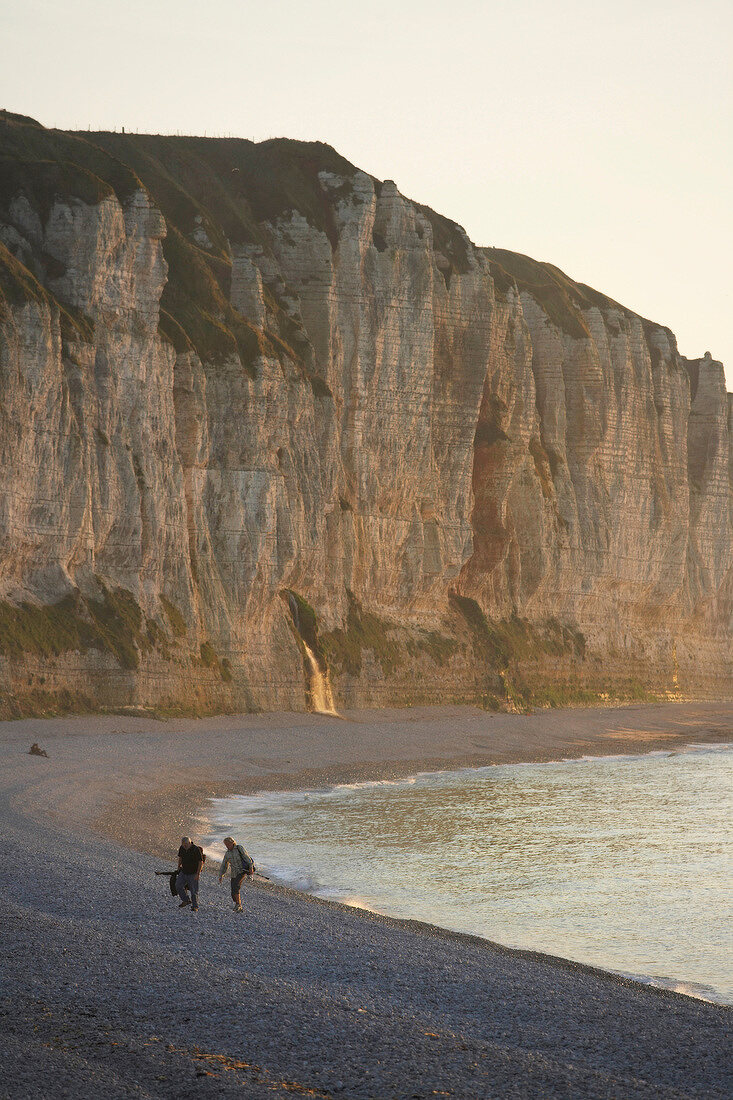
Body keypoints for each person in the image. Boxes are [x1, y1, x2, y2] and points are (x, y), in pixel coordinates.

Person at [218, 836, 254, 912]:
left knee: (235, 887)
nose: (227, 846)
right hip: (234, 873)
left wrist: (251, 867)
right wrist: (221, 875)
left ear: (232, 843)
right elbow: (224, 865)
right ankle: (237, 904)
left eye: (228, 844)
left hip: (242, 871)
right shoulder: (227, 853)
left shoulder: (239, 848)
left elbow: (247, 857)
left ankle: (239, 905)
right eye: (226, 845)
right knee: (232, 891)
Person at [176, 836, 205, 911]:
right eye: (183, 844)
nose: (184, 845)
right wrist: (178, 866)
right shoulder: (182, 848)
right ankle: (186, 900)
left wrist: (198, 874)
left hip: (193, 873)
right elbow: (180, 857)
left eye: (186, 844)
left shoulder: (195, 849)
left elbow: (200, 862)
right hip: (184, 871)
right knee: (178, 885)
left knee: (194, 890)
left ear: (190, 843)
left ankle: (195, 906)